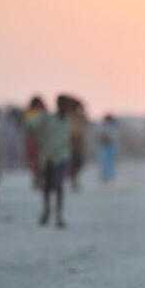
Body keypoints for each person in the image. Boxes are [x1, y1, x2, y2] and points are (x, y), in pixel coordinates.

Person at [35, 95, 72, 228]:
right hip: (48, 157)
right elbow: (35, 129)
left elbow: (68, 140)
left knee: (59, 186)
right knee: (47, 187)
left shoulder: (67, 120)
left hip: (61, 157)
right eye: (62, 104)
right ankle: (46, 211)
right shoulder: (48, 118)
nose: (64, 107)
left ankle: (59, 215)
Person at [24, 96, 46, 189]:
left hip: (41, 140)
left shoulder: (43, 113)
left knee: (41, 162)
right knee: (35, 162)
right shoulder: (30, 114)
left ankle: (40, 180)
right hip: (33, 140)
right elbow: (29, 127)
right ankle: (37, 180)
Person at [68, 98, 87, 191]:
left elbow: (85, 123)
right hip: (71, 140)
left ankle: (74, 179)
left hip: (79, 141)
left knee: (79, 162)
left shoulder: (80, 116)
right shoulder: (69, 116)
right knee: (73, 162)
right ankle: (73, 180)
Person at [98, 114, 119, 182]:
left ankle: (109, 176)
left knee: (110, 162)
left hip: (110, 145)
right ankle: (106, 176)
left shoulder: (113, 126)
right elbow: (101, 136)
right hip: (105, 145)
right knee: (105, 161)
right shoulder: (104, 126)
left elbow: (114, 136)